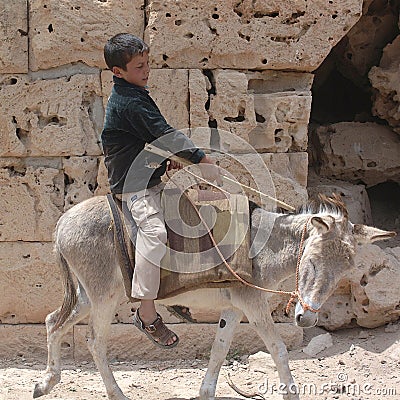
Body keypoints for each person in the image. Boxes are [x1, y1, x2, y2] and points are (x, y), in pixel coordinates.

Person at [101, 33, 220, 348]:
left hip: (147, 176)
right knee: (154, 234)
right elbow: (164, 134)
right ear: (118, 72)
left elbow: (143, 143)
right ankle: (147, 313)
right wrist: (201, 159)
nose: (147, 70)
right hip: (133, 187)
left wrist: (164, 164)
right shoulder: (128, 101)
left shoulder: (136, 94)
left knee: (201, 212)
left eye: (148, 63)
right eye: (139, 66)